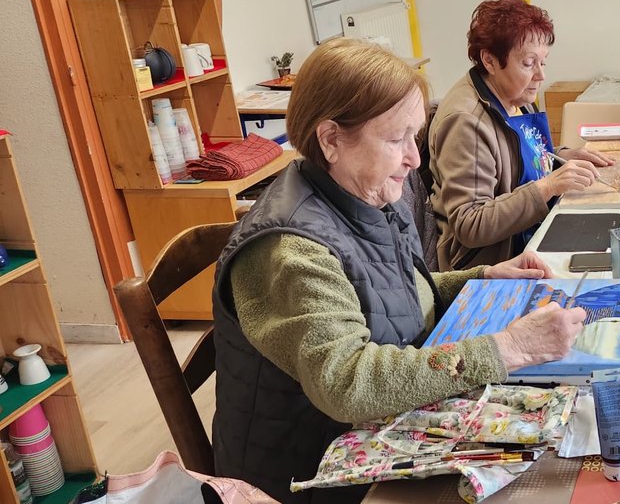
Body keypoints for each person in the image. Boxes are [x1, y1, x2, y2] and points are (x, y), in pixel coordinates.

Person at [211, 38, 587, 503]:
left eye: (415, 137)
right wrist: (510, 347)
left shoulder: (360, 194)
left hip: (370, 437)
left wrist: (480, 278)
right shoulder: (291, 250)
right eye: (396, 139)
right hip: (314, 475)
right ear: (331, 140)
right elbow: (348, 382)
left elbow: (389, 292)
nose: (414, 159)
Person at [429, 0, 614, 271]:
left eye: (543, 62)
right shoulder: (466, 122)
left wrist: (560, 157)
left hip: (531, 232)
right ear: (490, 60)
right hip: (493, 263)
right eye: (529, 63)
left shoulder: (515, 95)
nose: (540, 75)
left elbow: (517, 158)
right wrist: (547, 186)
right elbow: (470, 224)